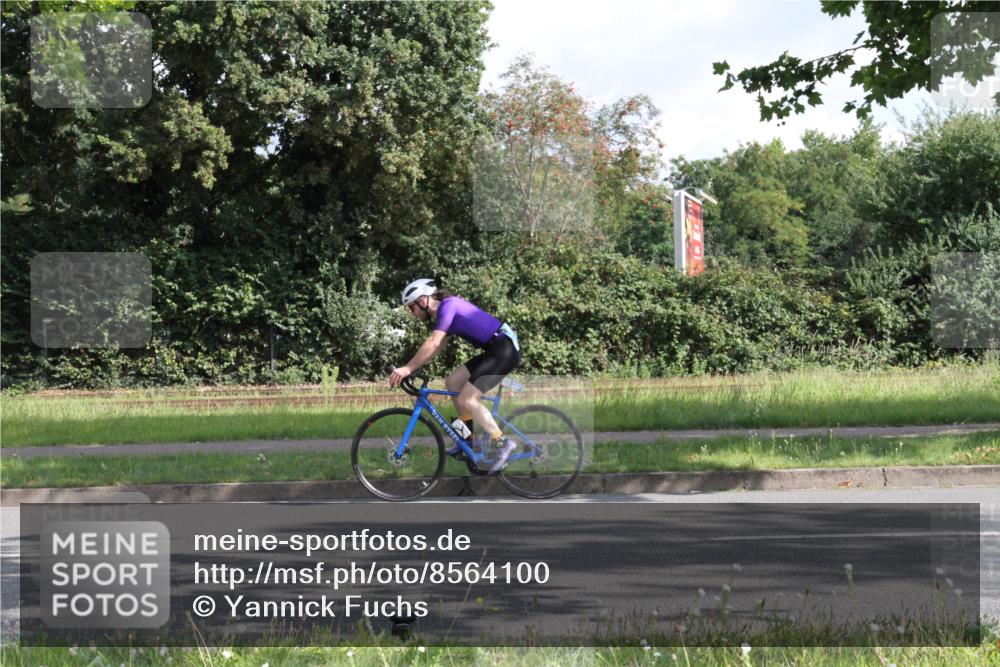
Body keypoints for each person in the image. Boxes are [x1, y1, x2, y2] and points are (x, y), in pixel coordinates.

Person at [389, 278, 521, 474]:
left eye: (412, 308)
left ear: (423, 301)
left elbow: (434, 342)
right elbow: (437, 347)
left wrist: (407, 368)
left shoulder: (448, 306)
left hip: (503, 349)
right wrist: (413, 367)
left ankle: (503, 443)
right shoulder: (446, 311)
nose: (412, 314)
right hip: (495, 349)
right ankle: (468, 439)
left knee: (468, 399)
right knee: (452, 382)